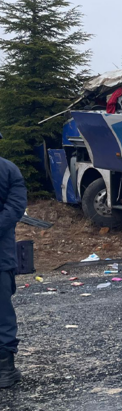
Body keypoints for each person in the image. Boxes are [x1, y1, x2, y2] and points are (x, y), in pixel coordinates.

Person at [0, 131, 28, 388]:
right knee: (2, 313)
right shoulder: (9, 170)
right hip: (1, 256)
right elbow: (15, 208)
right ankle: (5, 369)